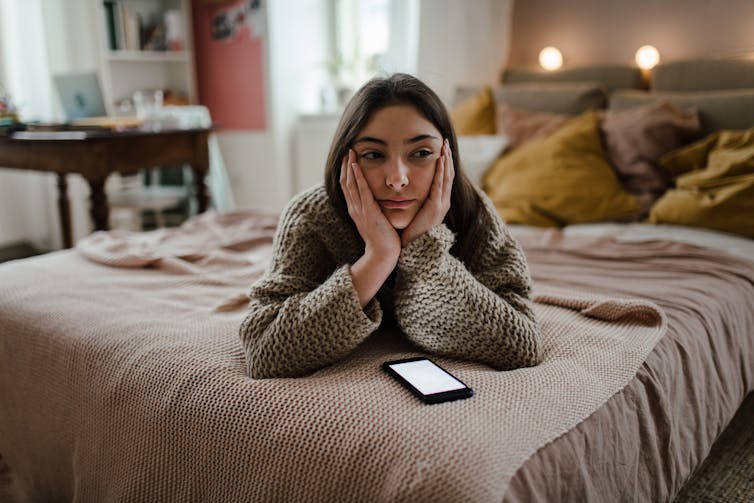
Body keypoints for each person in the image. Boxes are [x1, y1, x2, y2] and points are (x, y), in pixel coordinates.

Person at [240, 73, 540, 379]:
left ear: (446, 157)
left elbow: (523, 343)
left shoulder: (472, 210)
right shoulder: (311, 216)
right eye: (373, 155)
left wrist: (423, 252)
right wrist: (378, 258)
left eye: (421, 153)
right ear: (345, 159)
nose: (397, 179)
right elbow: (264, 350)